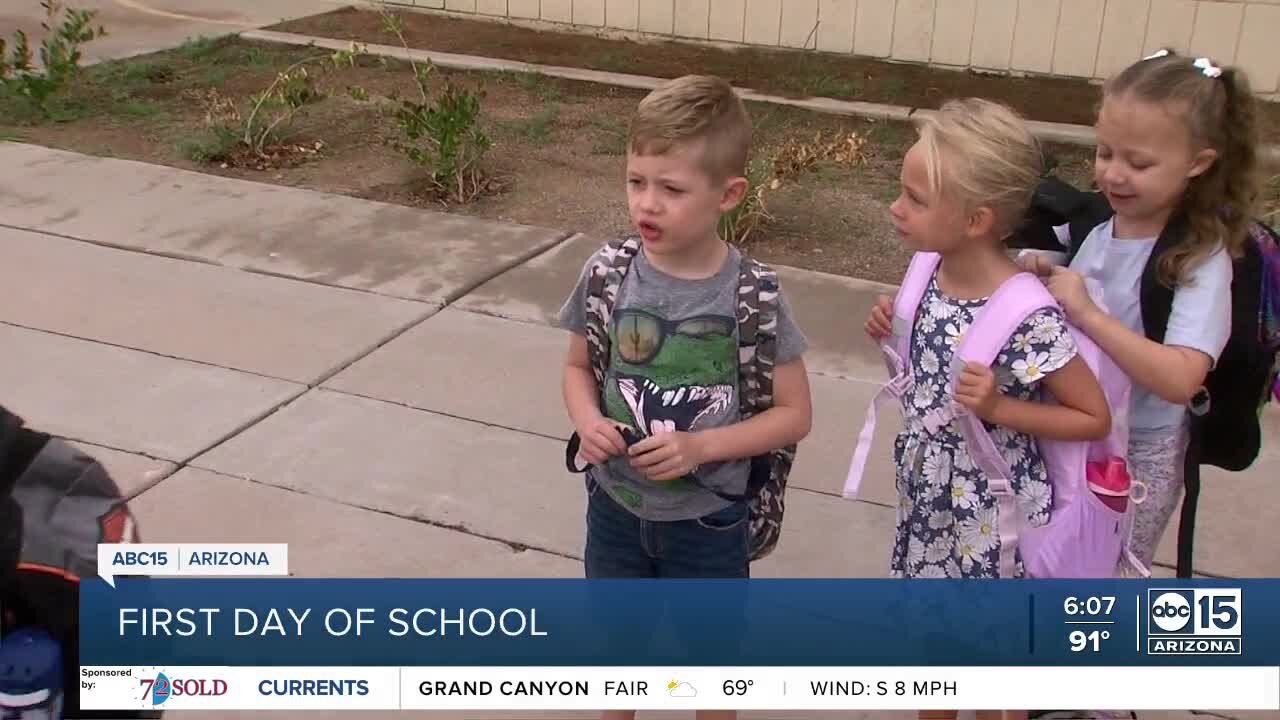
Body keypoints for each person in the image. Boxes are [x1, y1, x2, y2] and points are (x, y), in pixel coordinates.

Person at [557, 74, 812, 720]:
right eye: (636, 181)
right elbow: (578, 368)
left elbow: (794, 415)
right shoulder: (609, 273)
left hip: (709, 521)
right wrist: (588, 421)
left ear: (729, 194)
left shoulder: (752, 296)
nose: (648, 204)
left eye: (671, 189)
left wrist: (702, 445)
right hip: (615, 510)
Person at [864, 98, 1114, 720]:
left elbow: (1092, 417)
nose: (898, 208)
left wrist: (1003, 406)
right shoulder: (926, 271)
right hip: (928, 504)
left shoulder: (1025, 314)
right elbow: (926, 379)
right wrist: (892, 333)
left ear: (976, 219)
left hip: (992, 519)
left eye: (915, 199)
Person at [1016, 48, 1259, 576]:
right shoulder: (1095, 223)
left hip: (1139, 450)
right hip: (1072, 425)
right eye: (1105, 153)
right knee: (1048, 561)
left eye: (1139, 163)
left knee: (1108, 572)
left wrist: (1088, 316)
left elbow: (1181, 378)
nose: (1115, 175)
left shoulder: (1199, 258)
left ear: (1199, 162)